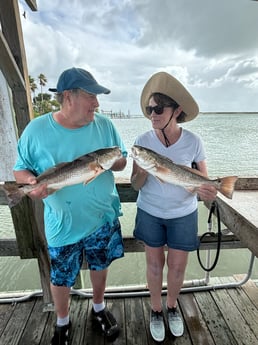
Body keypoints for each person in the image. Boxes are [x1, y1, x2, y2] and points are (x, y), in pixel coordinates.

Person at [13, 67, 127, 345]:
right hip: (62, 224)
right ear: (68, 97)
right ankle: (62, 321)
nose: (97, 104)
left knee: (101, 265)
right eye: (91, 96)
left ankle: (98, 308)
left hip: (102, 217)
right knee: (62, 276)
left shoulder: (104, 125)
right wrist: (31, 183)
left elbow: (122, 160)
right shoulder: (36, 130)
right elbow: (20, 169)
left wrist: (113, 161)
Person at [131, 72, 217, 341]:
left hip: (184, 213)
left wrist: (205, 188)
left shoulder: (194, 141)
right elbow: (134, 185)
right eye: (149, 109)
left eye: (158, 108)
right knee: (154, 264)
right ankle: (156, 310)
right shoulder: (143, 142)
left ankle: (171, 306)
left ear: (176, 111)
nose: (152, 114)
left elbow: (206, 184)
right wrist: (147, 170)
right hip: (151, 211)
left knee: (178, 267)